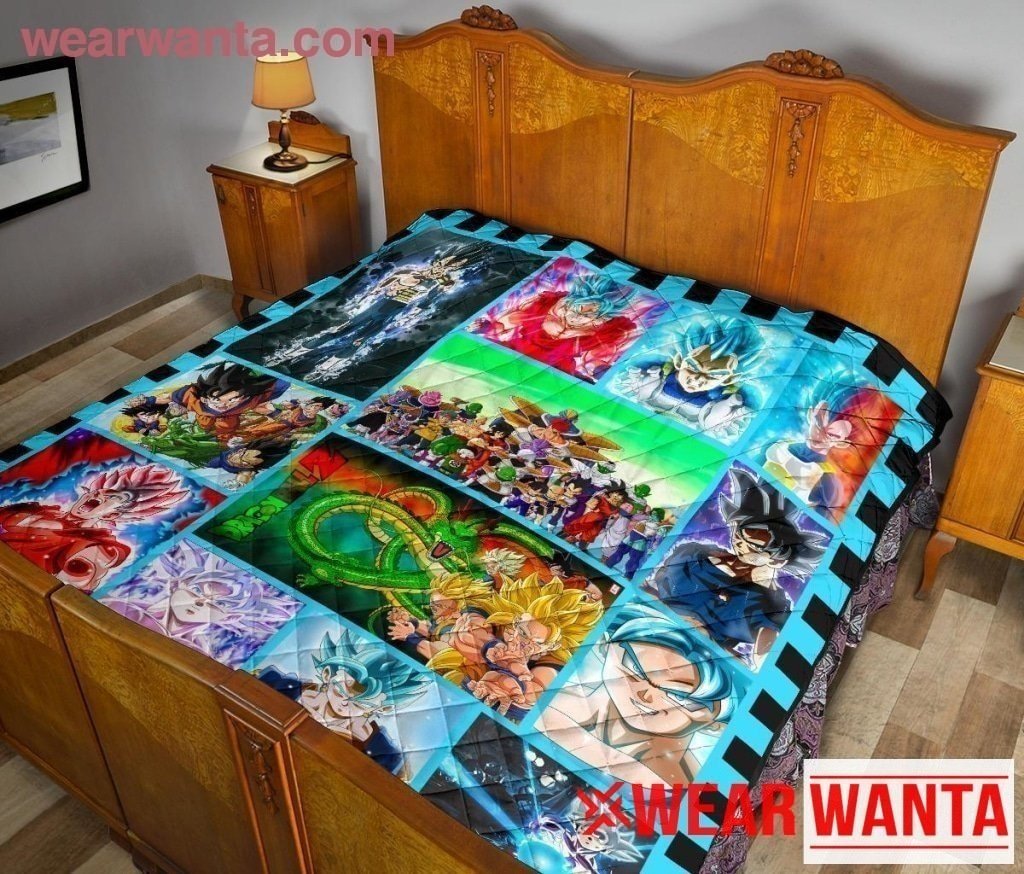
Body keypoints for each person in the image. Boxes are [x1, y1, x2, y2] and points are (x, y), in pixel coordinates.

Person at [536, 603, 735, 787]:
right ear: (606, 648)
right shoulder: (557, 705)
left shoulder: (684, 783)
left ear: (714, 719)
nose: (646, 695)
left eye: (678, 695)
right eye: (635, 669)